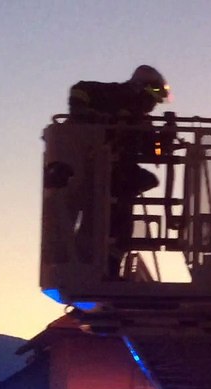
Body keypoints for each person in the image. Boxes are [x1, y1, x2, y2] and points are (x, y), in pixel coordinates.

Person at [65, 65, 171, 277]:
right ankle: (79, 262)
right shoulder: (109, 94)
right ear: (140, 88)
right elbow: (79, 90)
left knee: (120, 226)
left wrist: (166, 139)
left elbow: (154, 150)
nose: (152, 105)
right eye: (152, 98)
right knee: (87, 221)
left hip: (118, 176)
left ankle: (110, 267)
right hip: (87, 171)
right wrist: (87, 114)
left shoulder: (142, 122)